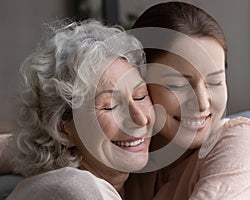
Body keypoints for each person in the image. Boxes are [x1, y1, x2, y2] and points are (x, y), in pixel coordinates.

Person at [124, 2, 250, 199]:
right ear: (139, 83)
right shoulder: (131, 161)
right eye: (178, 85)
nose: (202, 103)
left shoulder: (240, 142)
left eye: (215, 81)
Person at [6, 19, 154, 199]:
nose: (140, 118)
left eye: (140, 96)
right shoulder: (77, 189)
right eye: (110, 106)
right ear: (63, 129)